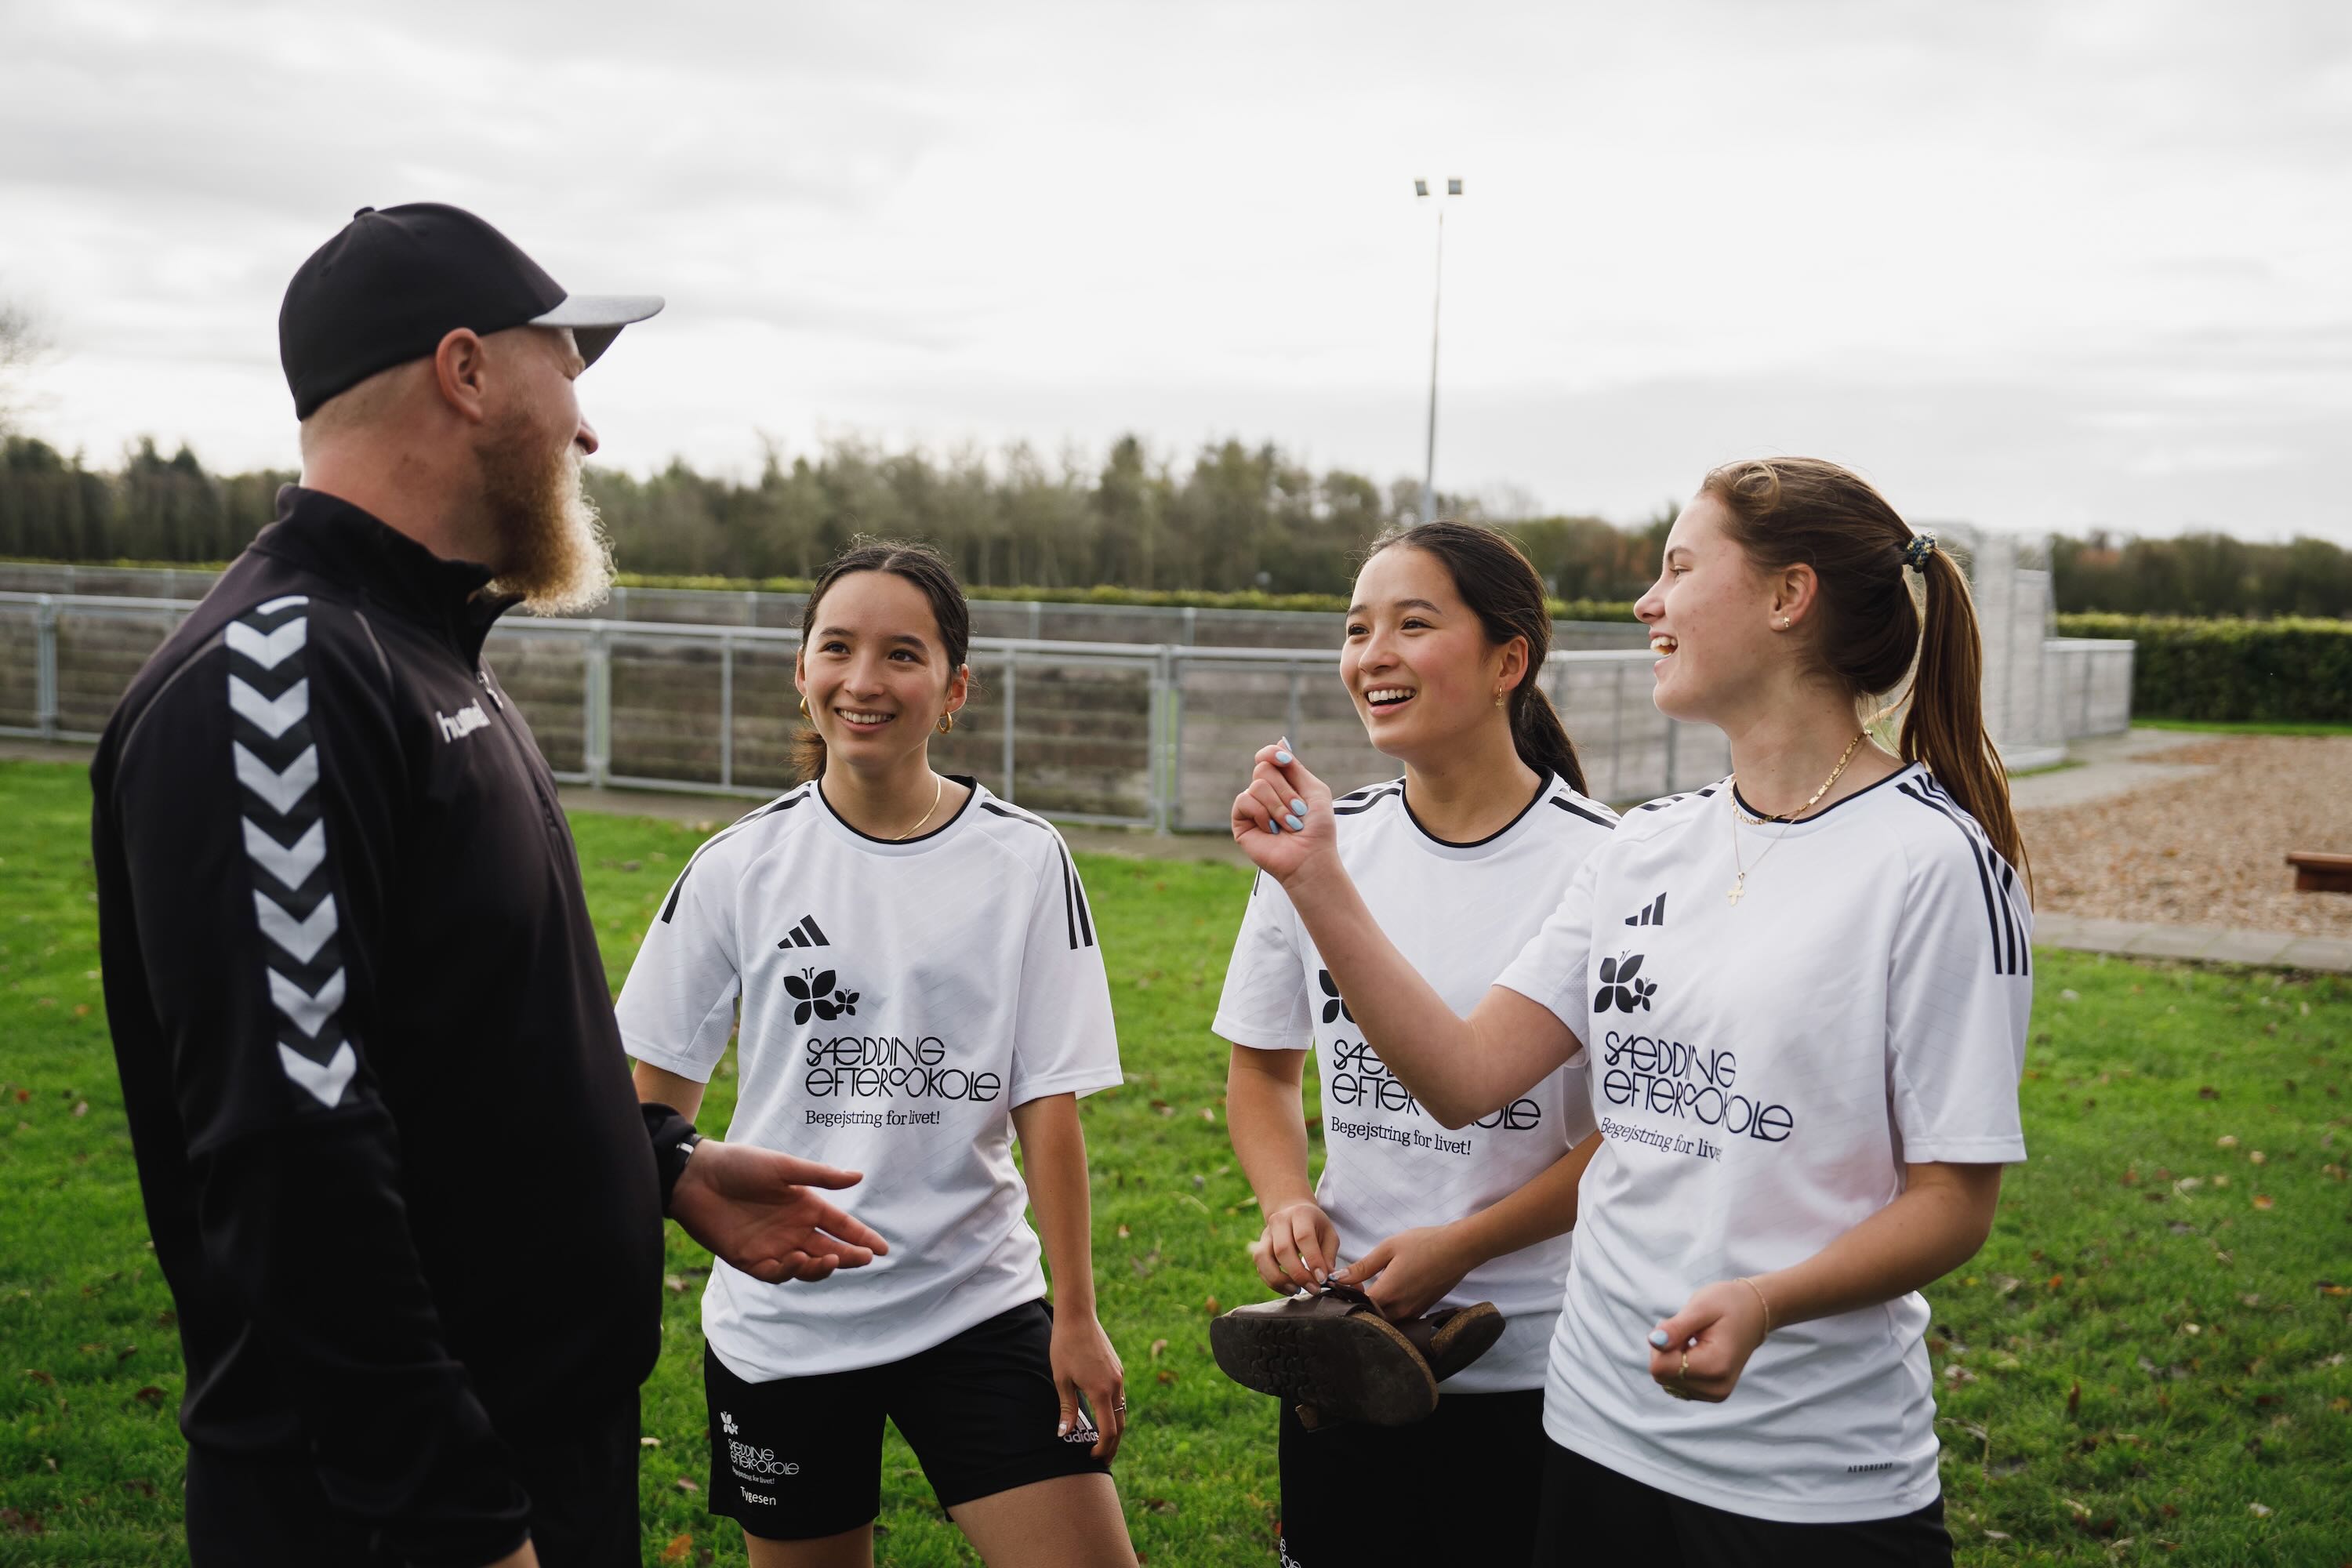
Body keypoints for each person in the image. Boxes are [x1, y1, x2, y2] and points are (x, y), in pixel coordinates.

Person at [90, 203, 884, 1568]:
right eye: (566, 370)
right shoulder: (276, 681)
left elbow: (455, 1046)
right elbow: (292, 1149)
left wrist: (661, 1165)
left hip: (533, 1459)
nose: (586, 430)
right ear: (464, 372)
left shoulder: (427, 653)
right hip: (403, 1510)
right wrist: (457, 1522)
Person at [1230, 458, 2033, 1566]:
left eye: (1678, 568)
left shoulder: (1935, 863)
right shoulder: (1649, 846)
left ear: (1787, 597)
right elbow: (1465, 1080)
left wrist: (1764, 1302)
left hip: (1806, 1479)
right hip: (1595, 1431)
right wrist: (1315, 877)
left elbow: (1953, 1201)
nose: (1647, 603)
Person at [617, 540, 1139, 1568]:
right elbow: (649, 1118)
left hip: (984, 1309)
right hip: (785, 1326)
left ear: (955, 690)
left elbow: (1048, 1104)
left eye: (903, 655)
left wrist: (1075, 1318)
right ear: (801, 673)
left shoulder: (1028, 859)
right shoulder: (733, 870)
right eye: (837, 649)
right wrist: (704, 1202)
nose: (864, 682)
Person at [1211, 521, 1613, 1566]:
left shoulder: (1610, 868)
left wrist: (1466, 1247)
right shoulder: (1319, 849)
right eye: (1357, 629)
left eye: (1412, 625)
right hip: (1338, 1356)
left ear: (1507, 661)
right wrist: (1285, 1200)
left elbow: (1631, 1136)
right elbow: (1261, 1070)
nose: (1371, 654)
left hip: (1537, 1359)